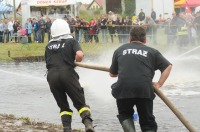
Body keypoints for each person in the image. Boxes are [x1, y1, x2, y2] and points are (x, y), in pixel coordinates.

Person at [109, 26, 172, 132]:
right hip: (144, 89)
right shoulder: (152, 52)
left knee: (125, 114)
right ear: (145, 39)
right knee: (147, 122)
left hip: (124, 89)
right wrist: (159, 84)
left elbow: (112, 74)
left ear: (130, 38)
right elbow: (168, 66)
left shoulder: (120, 50)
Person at [45, 19, 95, 132]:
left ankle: (67, 129)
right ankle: (88, 125)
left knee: (63, 106)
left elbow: (48, 62)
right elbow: (79, 55)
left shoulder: (49, 45)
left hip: (52, 75)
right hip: (67, 73)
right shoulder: (71, 41)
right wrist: (76, 61)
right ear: (67, 29)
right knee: (80, 102)